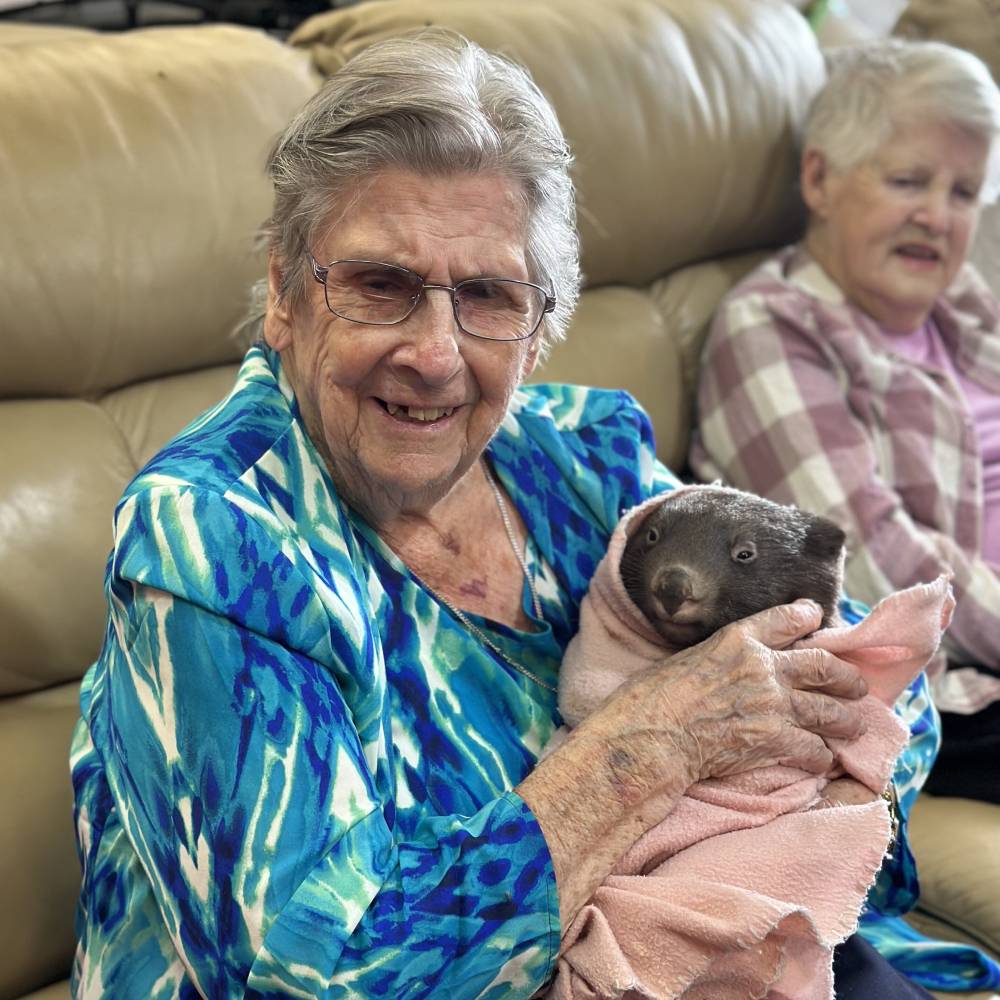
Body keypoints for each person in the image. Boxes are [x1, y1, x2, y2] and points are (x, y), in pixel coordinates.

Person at [70, 31, 934, 1000]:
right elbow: (314, 970)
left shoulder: (583, 454)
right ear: (283, 292)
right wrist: (647, 749)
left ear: (539, 325)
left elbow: (882, 683)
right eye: (380, 285)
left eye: (487, 295)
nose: (435, 353)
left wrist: (788, 806)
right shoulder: (214, 542)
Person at [689, 37, 1000, 990]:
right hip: (947, 691)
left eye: (961, 192)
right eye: (909, 179)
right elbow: (883, 568)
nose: (937, 217)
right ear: (820, 178)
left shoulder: (966, 313)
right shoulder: (774, 331)